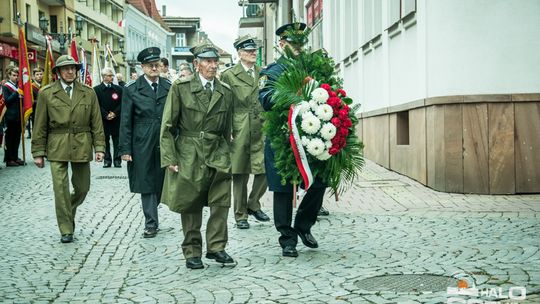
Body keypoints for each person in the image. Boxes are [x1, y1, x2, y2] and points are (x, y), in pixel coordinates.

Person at [160, 43, 234, 269]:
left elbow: (227, 127)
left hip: (217, 150)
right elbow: (168, 126)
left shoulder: (225, 91)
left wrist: (228, 153)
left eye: (215, 62)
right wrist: (169, 158)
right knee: (190, 203)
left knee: (221, 202)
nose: (213, 66)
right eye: (208, 62)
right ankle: (192, 251)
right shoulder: (181, 88)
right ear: (196, 64)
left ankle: (217, 247)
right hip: (189, 151)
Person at [259, 23, 326, 258]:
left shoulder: (314, 67)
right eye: (291, 43)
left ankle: (304, 225)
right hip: (283, 136)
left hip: (314, 134)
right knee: (283, 188)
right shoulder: (273, 71)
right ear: (281, 44)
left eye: (300, 42)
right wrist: (292, 93)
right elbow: (265, 99)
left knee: (320, 181)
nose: (297, 47)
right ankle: (287, 238)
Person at [31, 55, 105, 243]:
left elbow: (97, 122)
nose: (70, 71)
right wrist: (38, 152)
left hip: (81, 143)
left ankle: (68, 211)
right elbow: (39, 125)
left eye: (73, 68)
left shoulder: (88, 93)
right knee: (60, 189)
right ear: (58, 73)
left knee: (82, 188)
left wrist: (100, 147)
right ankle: (66, 229)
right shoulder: (47, 93)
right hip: (57, 145)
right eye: (65, 69)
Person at [119, 47, 171, 238]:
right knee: (146, 182)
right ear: (142, 67)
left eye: (156, 64)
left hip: (163, 139)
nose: (154, 68)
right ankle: (151, 223)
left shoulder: (168, 87)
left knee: (161, 181)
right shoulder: (132, 89)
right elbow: (125, 120)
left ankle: (153, 212)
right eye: (150, 65)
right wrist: (125, 149)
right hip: (141, 141)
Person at [221, 35, 269, 230]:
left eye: (254, 51)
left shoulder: (264, 73)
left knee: (265, 168)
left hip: (262, 125)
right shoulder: (229, 75)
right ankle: (240, 214)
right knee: (239, 172)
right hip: (239, 126)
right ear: (239, 54)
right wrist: (227, 130)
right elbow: (224, 105)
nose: (252, 53)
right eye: (248, 51)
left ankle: (253, 203)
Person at [94, 67, 123, 168]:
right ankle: (107, 160)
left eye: (112, 75)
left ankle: (117, 160)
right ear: (104, 77)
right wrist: (106, 114)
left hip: (116, 119)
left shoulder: (119, 89)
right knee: (105, 140)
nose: (112, 77)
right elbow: (96, 104)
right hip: (103, 119)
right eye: (110, 76)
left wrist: (115, 113)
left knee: (117, 140)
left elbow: (122, 103)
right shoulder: (96, 90)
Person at [2, 66, 24, 167]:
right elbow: (7, 101)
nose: (16, 77)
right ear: (9, 75)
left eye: (17, 75)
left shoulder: (19, 86)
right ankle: (9, 158)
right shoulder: (6, 87)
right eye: (14, 75)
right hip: (10, 116)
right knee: (10, 138)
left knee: (17, 137)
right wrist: (16, 92)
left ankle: (15, 157)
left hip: (19, 116)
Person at [27, 67, 44, 138]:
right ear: (33, 76)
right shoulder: (31, 87)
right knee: (37, 135)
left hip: (46, 113)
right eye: (37, 74)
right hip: (36, 114)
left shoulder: (45, 85)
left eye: (41, 74)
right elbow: (30, 102)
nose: (39, 76)